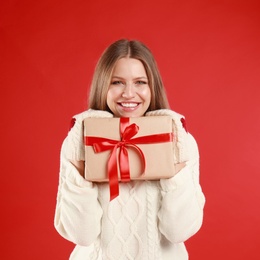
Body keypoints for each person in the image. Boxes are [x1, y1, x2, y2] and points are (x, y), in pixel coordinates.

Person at [54, 39, 205, 260]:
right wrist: (82, 174)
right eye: (117, 82)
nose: (129, 94)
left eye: (140, 82)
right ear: (103, 85)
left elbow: (178, 231)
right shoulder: (78, 142)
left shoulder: (181, 141)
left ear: (152, 87)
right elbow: (82, 235)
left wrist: (175, 175)